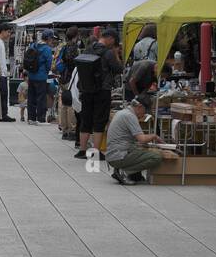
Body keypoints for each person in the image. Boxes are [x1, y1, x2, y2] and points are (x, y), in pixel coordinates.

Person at [74, 27, 123, 159]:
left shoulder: (88, 49)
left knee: (86, 119)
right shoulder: (108, 53)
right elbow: (119, 69)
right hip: (102, 90)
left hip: (86, 89)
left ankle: (82, 150)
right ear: (111, 39)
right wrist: (116, 54)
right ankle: (95, 152)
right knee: (99, 120)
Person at [106, 93, 167, 184]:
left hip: (114, 154)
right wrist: (154, 136)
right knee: (156, 157)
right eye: (145, 111)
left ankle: (128, 172)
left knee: (142, 149)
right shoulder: (130, 116)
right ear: (140, 107)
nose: (144, 115)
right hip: (119, 156)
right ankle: (124, 172)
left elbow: (132, 140)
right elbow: (142, 139)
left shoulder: (123, 112)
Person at [57, 26, 83, 140]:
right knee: (71, 103)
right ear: (76, 36)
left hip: (62, 77)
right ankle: (72, 129)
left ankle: (64, 129)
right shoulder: (73, 47)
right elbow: (73, 62)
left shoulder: (63, 45)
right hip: (70, 78)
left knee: (64, 104)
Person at [24, 30, 54, 126]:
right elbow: (49, 64)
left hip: (31, 75)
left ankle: (31, 118)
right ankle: (41, 118)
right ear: (49, 38)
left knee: (31, 97)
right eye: (52, 38)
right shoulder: (47, 49)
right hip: (41, 76)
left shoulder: (33, 45)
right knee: (41, 98)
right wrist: (46, 71)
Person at [0, 23, 14, 122]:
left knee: (4, 94)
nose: (9, 34)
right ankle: (3, 114)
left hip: (3, 73)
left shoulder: (0, 41)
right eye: (8, 32)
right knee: (3, 94)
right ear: (3, 31)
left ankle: (3, 113)